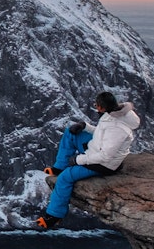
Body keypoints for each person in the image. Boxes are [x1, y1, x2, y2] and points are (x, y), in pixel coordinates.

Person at [36, 91, 139, 229]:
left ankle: (54, 216)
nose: (95, 107)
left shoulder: (117, 128)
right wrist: (85, 127)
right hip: (95, 150)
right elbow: (102, 134)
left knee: (66, 178)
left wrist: (79, 159)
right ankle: (60, 166)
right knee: (70, 133)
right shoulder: (114, 115)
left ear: (101, 107)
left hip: (103, 165)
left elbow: (105, 156)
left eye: (96, 105)